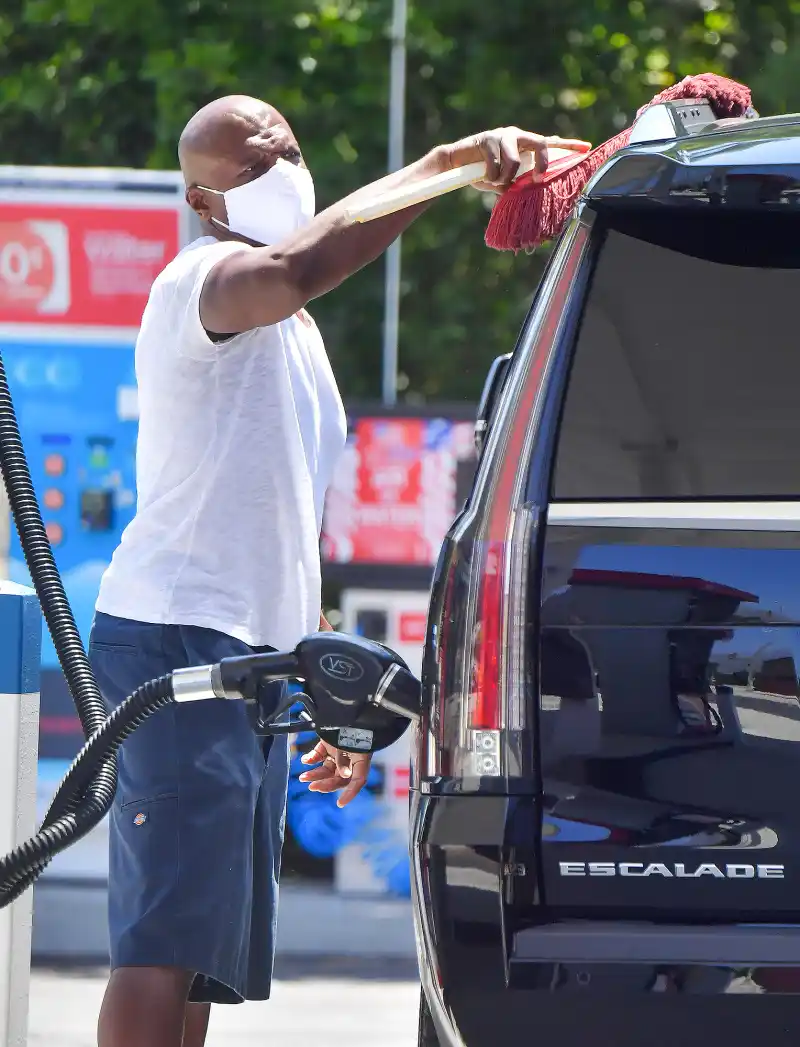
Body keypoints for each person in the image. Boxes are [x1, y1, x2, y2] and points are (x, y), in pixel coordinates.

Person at [87, 93, 591, 1047]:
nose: (281, 157)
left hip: (254, 651)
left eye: (288, 140)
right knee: (159, 938)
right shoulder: (204, 283)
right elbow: (298, 265)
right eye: (254, 153)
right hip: (175, 636)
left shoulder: (297, 339)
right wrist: (448, 164)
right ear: (204, 196)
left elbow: (284, 520)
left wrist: (327, 685)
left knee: (202, 945)